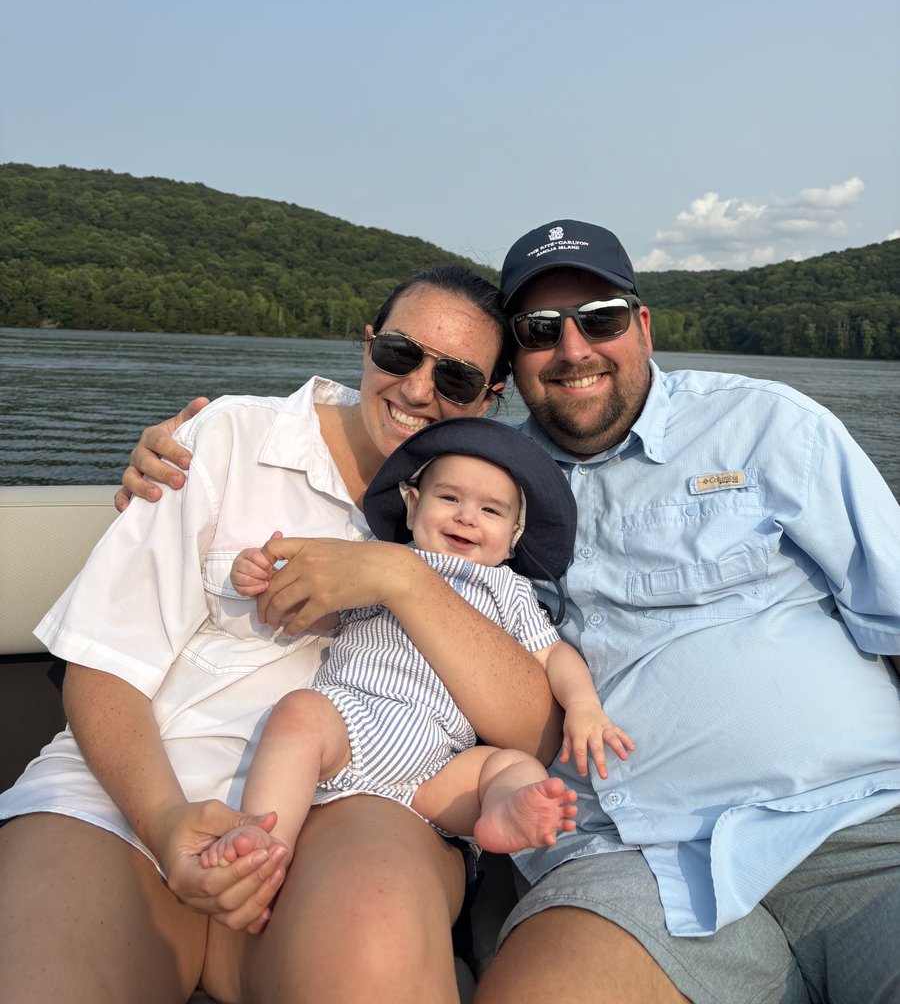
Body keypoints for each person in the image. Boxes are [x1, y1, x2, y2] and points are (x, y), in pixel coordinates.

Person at [120, 220, 900, 1004]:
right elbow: (345, 457)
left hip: (855, 826)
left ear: (643, 324)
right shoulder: (487, 473)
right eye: (538, 331)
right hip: (629, 864)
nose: (573, 349)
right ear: (511, 370)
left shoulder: (769, 428)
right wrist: (181, 459)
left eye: (600, 318)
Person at [0, 265, 566, 1004]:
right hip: (130, 794)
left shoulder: (484, 513)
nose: (419, 389)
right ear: (368, 347)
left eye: (457, 378)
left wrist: (403, 577)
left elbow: (533, 733)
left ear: (491, 398)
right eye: (400, 354)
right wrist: (168, 822)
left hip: (363, 798)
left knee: (374, 952)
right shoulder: (229, 437)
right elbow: (105, 662)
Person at [201, 417, 634, 871]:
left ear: (513, 539)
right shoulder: (377, 560)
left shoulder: (508, 590)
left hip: (439, 762)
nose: (466, 516)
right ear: (412, 507)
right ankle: (263, 839)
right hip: (351, 719)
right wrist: (267, 579)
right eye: (448, 498)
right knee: (298, 713)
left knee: (508, 767)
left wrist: (584, 705)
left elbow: (553, 654)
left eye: (491, 511)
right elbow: (320, 610)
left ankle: (505, 810)